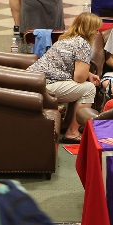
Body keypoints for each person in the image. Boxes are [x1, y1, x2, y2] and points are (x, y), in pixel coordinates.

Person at [28, 12, 101, 143]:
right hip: (45, 85)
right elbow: (79, 77)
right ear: (89, 30)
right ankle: (72, 132)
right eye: (96, 30)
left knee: (81, 88)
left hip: (32, 81)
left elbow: (68, 67)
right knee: (89, 88)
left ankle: (67, 125)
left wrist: (88, 73)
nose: (97, 33)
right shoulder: (82, 44)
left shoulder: (65, 39)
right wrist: (86, 75)